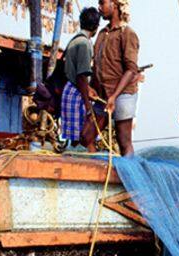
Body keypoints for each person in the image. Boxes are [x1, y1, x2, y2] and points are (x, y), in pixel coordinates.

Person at [81, 0, 140, 156]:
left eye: (102, 3)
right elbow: (96, 66)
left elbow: (131, 70)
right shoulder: (102, 34)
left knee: (123, 141)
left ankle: (128, 175)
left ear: (115, 5)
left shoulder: (127, 34)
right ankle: (94, 174)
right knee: (86, 137)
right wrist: (91, 87)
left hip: (123, 94)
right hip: (102, 95)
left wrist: (114, 96)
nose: (99, 7)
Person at [60, 7, 101, 147]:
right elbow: (81, 76)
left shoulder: (74, 41)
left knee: (74, 139)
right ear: (96, 27)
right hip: (77, 93)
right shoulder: (85, 43)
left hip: (70, 90)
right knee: (85, 138)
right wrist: (88, 104)